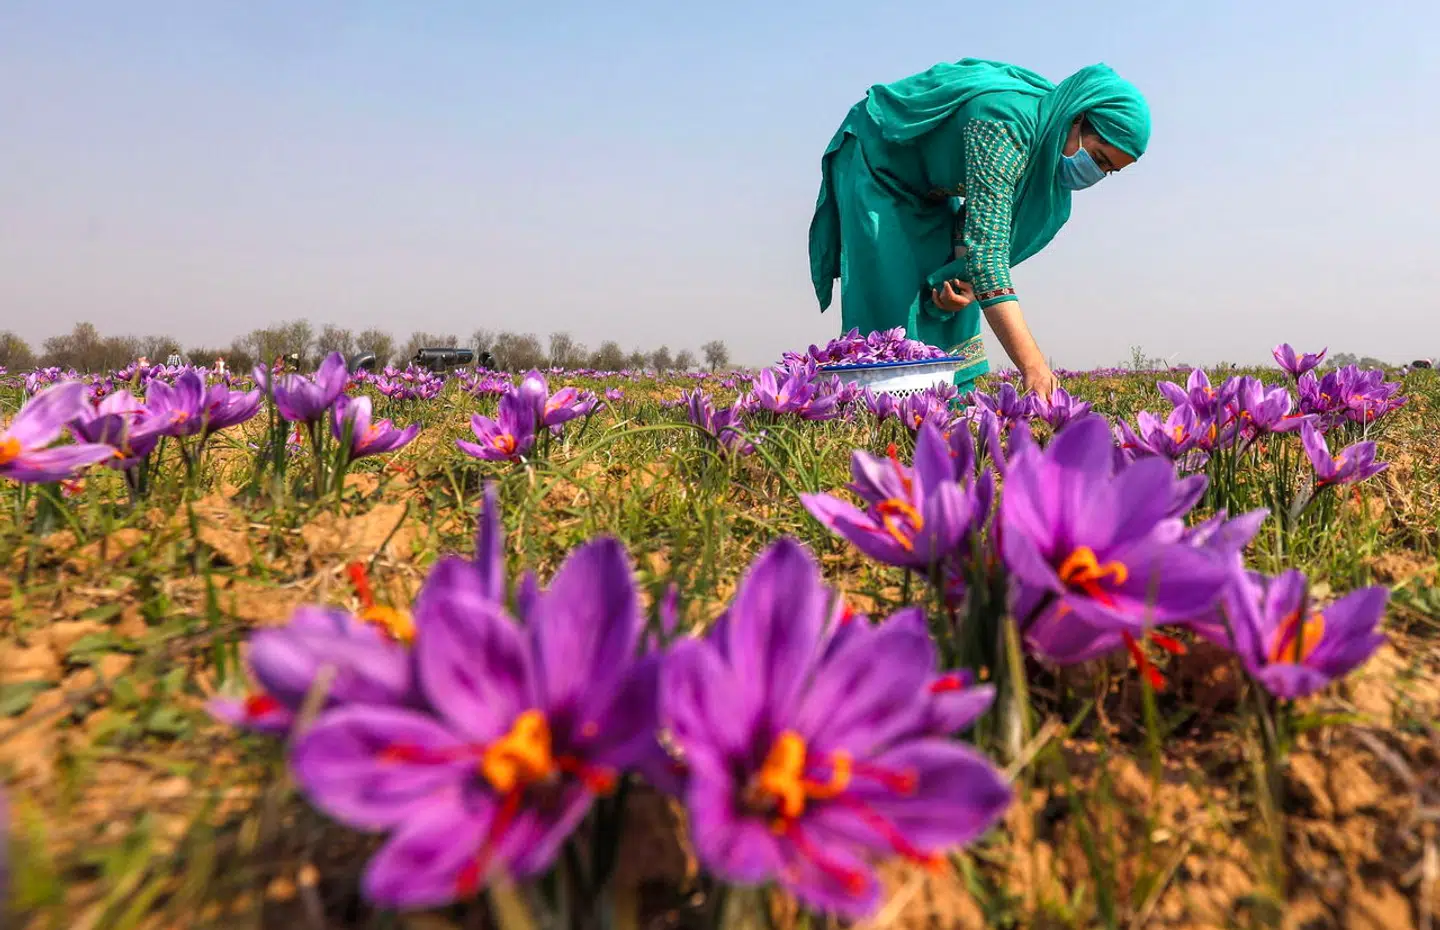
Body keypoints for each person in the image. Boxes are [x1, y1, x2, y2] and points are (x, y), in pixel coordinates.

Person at [809, 59, 1151, 397]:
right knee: (893, 297)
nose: (1095, 173)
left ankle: (950, 398)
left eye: (1108, 171)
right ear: (1077, 117)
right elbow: (987, 257)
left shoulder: (1042, 144)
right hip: (879, 162)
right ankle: (883, 406)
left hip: (931, 187)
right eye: (1099, 157)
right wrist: (1033, 365)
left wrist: (960, 277)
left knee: (964, 289)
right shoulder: (1005, 125)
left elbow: (976, 227)